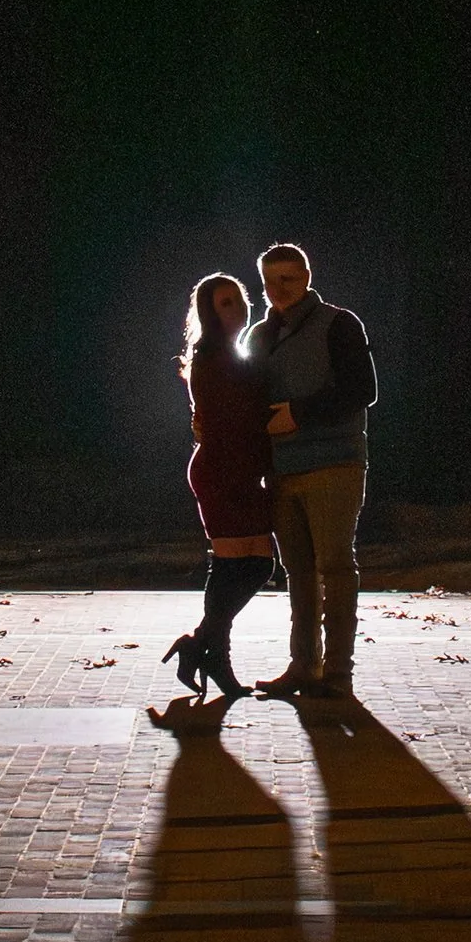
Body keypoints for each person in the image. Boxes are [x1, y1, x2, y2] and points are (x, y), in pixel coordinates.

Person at [243, 241, 378, 710]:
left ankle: (337, 671)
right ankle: (304, 664)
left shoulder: (339, 324)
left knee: (335, 567)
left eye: (289, 279)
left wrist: (297, 414)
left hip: (333, 462)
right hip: (282, 468)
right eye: (270, 281)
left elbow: (363, 389)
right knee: (298, 570)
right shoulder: (260, 335)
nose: (278, 290)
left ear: (307, 276)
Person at [159, 270, 275, 705]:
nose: (237, 308)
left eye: (239, 299)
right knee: (235, 566)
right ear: (209, 313)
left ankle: (200, 646)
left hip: (241, 470)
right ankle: (215, 657)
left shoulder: (234, 353)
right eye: (225, 303)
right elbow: (232, 423)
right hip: (223, 471)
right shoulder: (212, 356)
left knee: (255, 565)